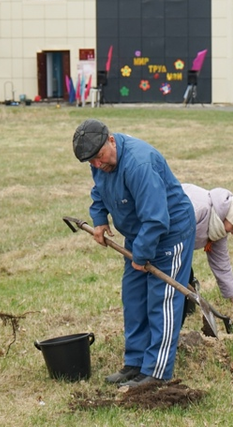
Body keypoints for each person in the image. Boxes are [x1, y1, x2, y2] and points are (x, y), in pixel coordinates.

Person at [74, 119, 195, 387]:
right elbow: (99, 192)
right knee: (134, 298)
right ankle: (135, 363)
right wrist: (99, 218)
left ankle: (157, 371)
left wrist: (141, 255)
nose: (97, 165)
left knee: (160, 301)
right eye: (91, 162)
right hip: (138, 236)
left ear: (112, 140)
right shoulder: (101, 162)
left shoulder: (140, 164)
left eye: (99, 157)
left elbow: (156, 220)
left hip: (169, 233)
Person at [182, 185, 233, 324]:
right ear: (230, 216)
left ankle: (173, 336)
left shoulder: (218, 229)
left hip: (175, 249)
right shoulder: (199, 209)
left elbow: (222, 267)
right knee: (183, 278)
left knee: (184, 278)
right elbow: (170, 234)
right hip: (157, 235)